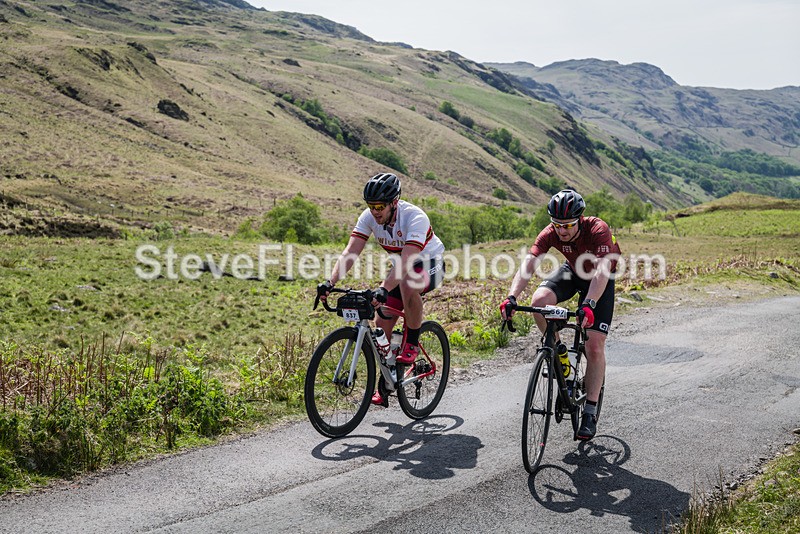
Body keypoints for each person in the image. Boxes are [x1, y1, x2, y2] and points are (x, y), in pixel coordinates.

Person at [500, 189, 621, 440]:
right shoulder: (550, 232)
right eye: (557, 225)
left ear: (580, 219)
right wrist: (512, 297)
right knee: (540, 301)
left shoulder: (598, 229)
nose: (561, 231)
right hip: (572, 271)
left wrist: (588, 303)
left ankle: (589, 410)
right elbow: (530, 263)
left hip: (599, 279)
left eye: (567, 225)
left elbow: (601, 271)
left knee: (594, 346)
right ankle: (559, 354)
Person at [317, 172, 445, 406]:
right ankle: (387, 382)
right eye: (371, 205)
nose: (375, 211)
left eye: (380, 206)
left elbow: (408, 261)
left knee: (408, 283)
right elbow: (351, 252)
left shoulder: (414, 217)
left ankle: (412, 342)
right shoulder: (368, 217)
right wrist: (330, 282)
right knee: (381, 327)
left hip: (429, 264)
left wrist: (383, 288)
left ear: (394, 203)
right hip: (402, 269)